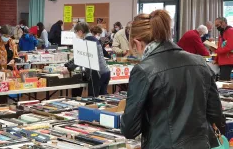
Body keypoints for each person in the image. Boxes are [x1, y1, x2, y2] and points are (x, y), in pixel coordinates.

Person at [120, 10, 225, 148]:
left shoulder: (143, 70)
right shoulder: (200, 62)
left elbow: (130, 129)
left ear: (137, 42)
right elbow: (216, 115)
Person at [66, 22, 110, 97]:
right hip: (105, 72)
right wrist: (67, 64)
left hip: (96, 73)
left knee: (93, 99)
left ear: (80, 32)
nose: (76, 35)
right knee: (102, 99)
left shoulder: (87, 41)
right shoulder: (93, 39)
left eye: (76, 32)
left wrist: (69, 68)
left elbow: (81, 58)